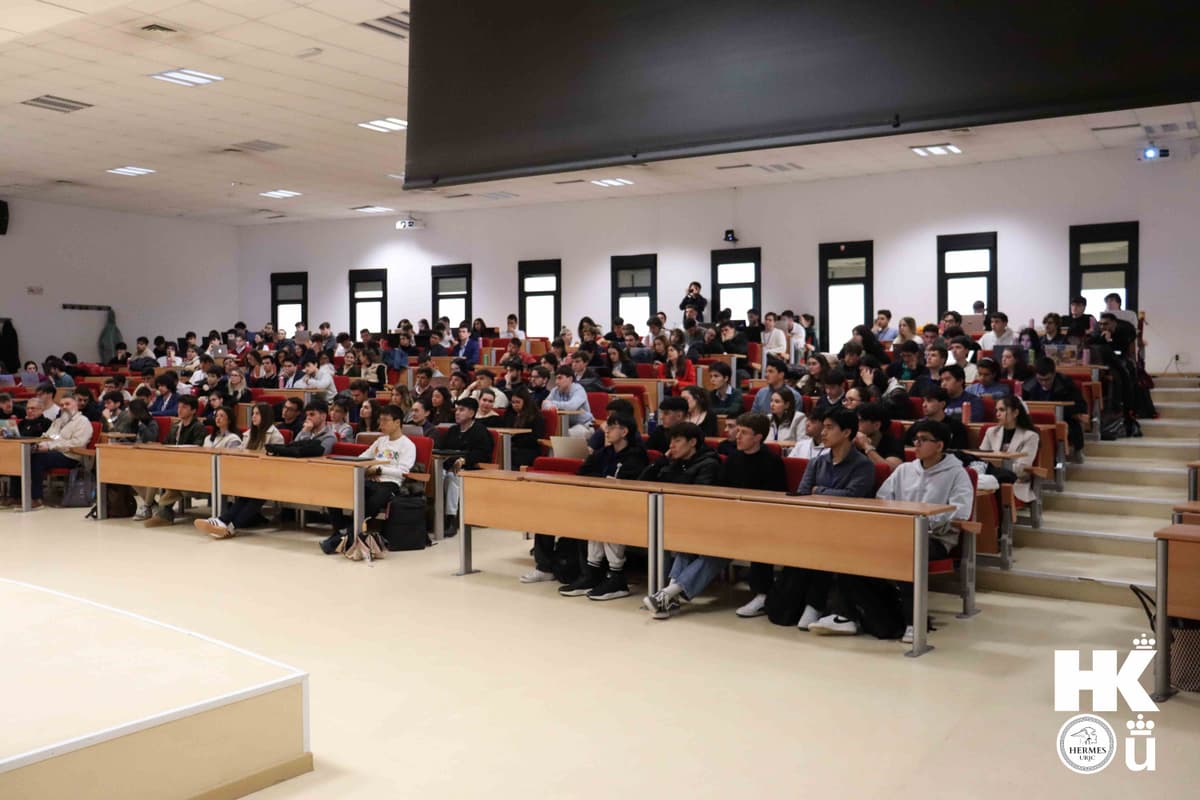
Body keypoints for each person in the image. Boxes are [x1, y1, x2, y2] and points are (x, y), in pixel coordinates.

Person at [872, 420, 972, 643]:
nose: (917, 444)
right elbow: (883, 498)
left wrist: (925, 521)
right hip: (900, 533)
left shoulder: (957, 474)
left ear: (939, 445)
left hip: (936, 538)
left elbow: (960, 511)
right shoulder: (905, 470)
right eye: (915, 439)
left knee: (909, 553)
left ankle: (914, 622)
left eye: (924, 439)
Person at [779, 407, 878, 631]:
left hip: (849, 527)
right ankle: (799, 603)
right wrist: (820, 491)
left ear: (846, 432)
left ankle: (816, 605)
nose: (823, 432)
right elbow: (804, 491)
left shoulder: (863, 465)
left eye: (829, 427)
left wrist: (818, 490)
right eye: (823, 427)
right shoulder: (817, 461)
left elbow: (853, 497)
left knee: (829, 546)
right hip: (816, 522)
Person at [195, 400, 337, 539]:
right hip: (279, 474)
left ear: (323, 416)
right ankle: (224, 522)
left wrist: (305, 433)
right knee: (251, 489)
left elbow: (313, 453)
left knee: (259, 490)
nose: (308, 419)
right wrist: (305, 433)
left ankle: (228, 524)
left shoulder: (329, 437)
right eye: (307, 415)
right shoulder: (304, 431)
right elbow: (294, 447)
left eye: (312, 415)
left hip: (306, 477)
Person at [551, 413, 650, 597]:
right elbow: (583, 472)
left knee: (607, 519)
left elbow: (635, 482)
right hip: (600, 502)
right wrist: (603, 480)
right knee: (593, 519)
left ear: (625, 431)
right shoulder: (604, 452)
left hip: (626, 507)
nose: (606, 430)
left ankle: (617, 577)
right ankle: (592, 573)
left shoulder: (636, 455)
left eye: (612, 427)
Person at [639, 423, 722, 619]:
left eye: (677, 441)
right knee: (683, 545)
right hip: (678, 522)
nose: (672, 446)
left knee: (709, 551)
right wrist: (661, 461)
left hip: (706, 522)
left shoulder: (709, 463)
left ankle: (667, 594)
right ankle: (668, 597)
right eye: (671, 441)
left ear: (692, 442)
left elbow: (696, 497)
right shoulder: (674, 462)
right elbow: (643, 481)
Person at [712, 413, 789, 618]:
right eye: (738, 431)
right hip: (733, 514)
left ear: (758, 437)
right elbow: (721, 488)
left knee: (760, 536)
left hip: (762, 519)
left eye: (744, 433)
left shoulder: (772, 462)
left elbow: (776, 499)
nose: (738, 436)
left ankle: (762, 594)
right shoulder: (733, 458)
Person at [318, 403, 417, 553]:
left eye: (385, 420)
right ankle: (342, 531)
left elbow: (403, 471)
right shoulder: (380, 441)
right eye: (380, 420)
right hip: (370, 480)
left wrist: (378, 469)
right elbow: (362, 458)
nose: (381, 424)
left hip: (390, 484)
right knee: (336, 492)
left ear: (397, 422)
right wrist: (365, 468)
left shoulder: (407, 445)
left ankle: (340, 537)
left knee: (372, 502)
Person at [15, 393, 93, 509]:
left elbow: (78, 443)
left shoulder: (83, 422)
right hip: (54, 453)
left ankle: (36, 498)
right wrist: (39, 446)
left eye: (67, 404)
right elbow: (46, 437)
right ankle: (17, 496)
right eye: (62, 405)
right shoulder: (58, 422)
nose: (64, 407)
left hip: (71, 455)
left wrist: (51, 447)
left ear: (76, 405)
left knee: (38, 458)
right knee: (23, 455)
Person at [440, 397, 495, 534]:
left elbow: (483, 454)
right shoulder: (453, 430)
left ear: (471, 413)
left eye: (461, 410)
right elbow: (441, 450)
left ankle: (451, 519)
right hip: (450, 467)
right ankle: (434, 517)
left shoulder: (480, 431)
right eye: (456, 410)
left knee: (453, 478)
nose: (457, 413)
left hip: (471, 470)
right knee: (439, 475)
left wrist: (464, 460)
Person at [978, 396, 1041, 503]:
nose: (997, 414)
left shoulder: (1030, 436)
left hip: (1015, 481)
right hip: (989, 477)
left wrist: (995, 465)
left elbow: (1022, 468)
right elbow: (981, 459)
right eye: (996, 410)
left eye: (1002, 410)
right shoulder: (990, 432)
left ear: (1015, 413)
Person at [1023, 357, 1087, 456]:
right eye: (1040, 379)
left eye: (1047, 379)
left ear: (1054, 374)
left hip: (1063, 420)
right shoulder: (1028, 386)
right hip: (1035, 421)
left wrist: (1057, 409)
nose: (1044, 383)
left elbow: (1081, 406)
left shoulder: (1066, 384)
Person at [902, 388, 968, 450]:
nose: (924, 405)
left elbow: (959, 452)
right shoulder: (917, 426)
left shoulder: (956, 427)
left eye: (929, 401)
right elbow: (906, 447)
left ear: (942, 404)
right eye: (924, 401)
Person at [541, 366, 593, 437]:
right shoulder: (555, 390)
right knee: (552, 435)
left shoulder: (578, 389)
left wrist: (552, 404)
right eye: (556, 378)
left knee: (564, 435)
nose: (556, 382)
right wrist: (549, 404)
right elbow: (544, 405)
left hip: (584, 425)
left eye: (560, 378)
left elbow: (571, 407)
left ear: (570, 379)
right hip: (566, 425)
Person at [854, 402, 904, 467]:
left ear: (876, 425)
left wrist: (866, 446)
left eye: (860, 421)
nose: (855, 424)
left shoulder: (894, 443)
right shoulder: (851, 440)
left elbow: (891, 469)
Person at [767, 388, 805, 452]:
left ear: (787, 405)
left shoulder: (799, 418)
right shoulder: (767, 418)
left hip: (790, 456)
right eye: (771, 401)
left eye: (777, 401)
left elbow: (803, 444)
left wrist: (777, 444)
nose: (772, 404)